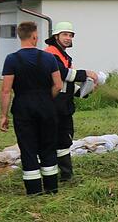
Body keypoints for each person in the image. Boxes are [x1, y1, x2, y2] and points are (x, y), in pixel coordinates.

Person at [0, 22, 63, 195]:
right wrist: (46, 98)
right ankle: (51, 187)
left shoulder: (12, 59)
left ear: (20, 36)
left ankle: (34, 190)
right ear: (34, 37)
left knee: (27, 147)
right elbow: (58, 85)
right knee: (48, 146)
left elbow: (6, 90)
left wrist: (3, 115)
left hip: (22, 107)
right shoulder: (49, 58)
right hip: (46, 106)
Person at [43, 22, 100, 181]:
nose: (68, 38)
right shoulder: (51, 53)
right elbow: (62, 74)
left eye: (70, 35)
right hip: (54, 105)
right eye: (65, 35)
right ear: (56, 36)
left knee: (64, 140)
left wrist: (84, 91)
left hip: (63, 105)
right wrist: (86, 73)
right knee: (55, 139)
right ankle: (57, 174)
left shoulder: (63, 55)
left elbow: (67, 83)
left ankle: (65, 174)